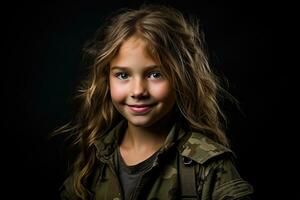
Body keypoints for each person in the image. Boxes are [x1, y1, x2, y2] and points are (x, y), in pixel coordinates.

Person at [57, 4, 254, 200]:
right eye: (123, 75)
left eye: (155, 74)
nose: (138, 91)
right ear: (106, 79)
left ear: (181, 79)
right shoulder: (94, 158)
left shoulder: (208, 168)